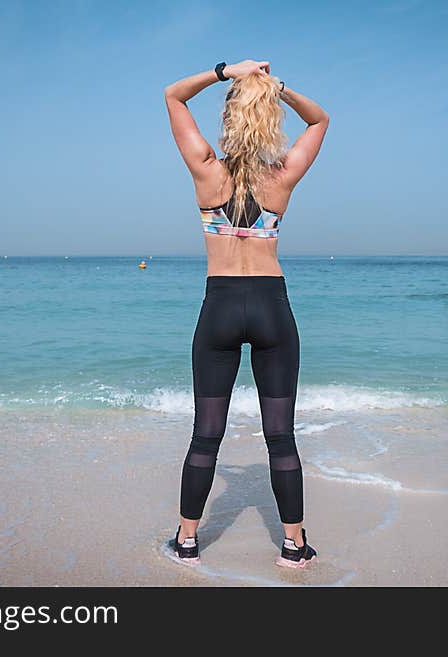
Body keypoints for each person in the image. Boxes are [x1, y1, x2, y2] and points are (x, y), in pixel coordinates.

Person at [164, 59, 329, 568]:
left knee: (205, 435)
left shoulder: (206, 169)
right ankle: (293, 545)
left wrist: (224, 72)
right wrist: (276, 87)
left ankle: (188, 540)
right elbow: (320, 120)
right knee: (280, 435)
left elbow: (173, 96)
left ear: (231, 118)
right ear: (268, 118)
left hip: (219, 307)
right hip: (270, 307)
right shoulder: (280, 179)